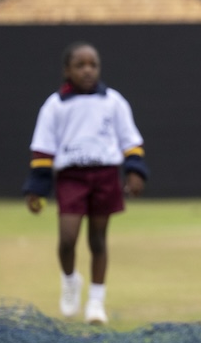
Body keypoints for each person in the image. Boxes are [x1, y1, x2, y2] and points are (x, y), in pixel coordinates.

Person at [23, 42, 148, 325]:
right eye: (80, 65)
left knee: (98, 240)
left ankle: (96, 302)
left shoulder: (113, 101)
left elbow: (130, 140)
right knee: (67, 239)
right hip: (71, 177)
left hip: (105, 174)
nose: (88, 70)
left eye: (93, 65)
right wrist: (36, 188)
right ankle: (70, 282)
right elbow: (43, 149)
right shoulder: (55, 105)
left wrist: (135, 171)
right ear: (67, 70)